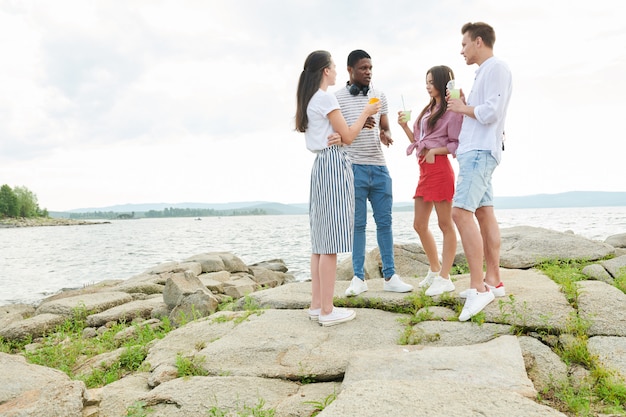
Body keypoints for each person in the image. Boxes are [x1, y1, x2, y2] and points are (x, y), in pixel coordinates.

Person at [295, 50, 380, 326]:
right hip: (334, 164)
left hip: (320, 165)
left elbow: (341, 134)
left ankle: (317, 304)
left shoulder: (310, 99)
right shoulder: (327, 97)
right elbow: (348, 136)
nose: (335, 69)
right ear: (325, 71)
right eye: (332, 65)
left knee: (319, 241)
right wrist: (366, 111)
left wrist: (346, 131)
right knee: (330, 240)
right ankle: (328, 311)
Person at [447, 22, 512, 321]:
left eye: (464, 44)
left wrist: (462, 108)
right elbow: (484, 110)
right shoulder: (485, 71)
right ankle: (493, 281)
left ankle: (479, 288)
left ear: (478, 41)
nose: (461, 50)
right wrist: (465, 104)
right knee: (484, 212)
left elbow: (491, 112)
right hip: (477, 151)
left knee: (460, 213)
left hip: (479, 153)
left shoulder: (496, 68)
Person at [335, 49, 414, 296]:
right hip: (353, 168)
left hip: (379, 168)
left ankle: (390, 276)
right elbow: (339, 135)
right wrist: (359, 123)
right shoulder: (336, 98)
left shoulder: (380, 95)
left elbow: (386, 128)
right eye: (363, 68)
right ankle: (358, 278)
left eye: (370, 68)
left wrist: (385, 134)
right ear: (350, 70)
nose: (368, 72)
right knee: (358, 225)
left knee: (385, 223)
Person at [398, 65, 462, 297]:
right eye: (426, 81)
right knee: (419, 224)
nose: (427, 86)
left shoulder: (451, 110)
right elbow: (419, 140)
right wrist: (404, 126)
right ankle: (435, 270)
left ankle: (445, 277)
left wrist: (436, 152)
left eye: (432, 81)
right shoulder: (428, 109)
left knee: (445, 224)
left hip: (440, 170)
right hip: (424, 171)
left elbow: (456, 143)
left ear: (443, 83)